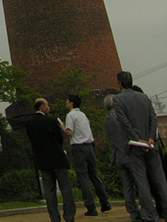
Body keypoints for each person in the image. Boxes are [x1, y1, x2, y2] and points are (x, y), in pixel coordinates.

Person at [113, 70, 167, 222]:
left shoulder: (118, 100)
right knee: (161, 181)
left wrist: (138, 139)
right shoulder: (144, 97)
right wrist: (150, 137)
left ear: (119, 83)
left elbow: (124, 121)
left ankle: (150, 214)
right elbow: (153, 118)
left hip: (135, 147)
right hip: (151, 145)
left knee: (142, 182)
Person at [26, 98, 76, 222]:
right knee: (66, 190)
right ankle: (69, 217)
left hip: (43, 160)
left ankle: (54, 218)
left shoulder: (29, 123)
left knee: (49, 192)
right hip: (57, 159)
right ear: (42, 107)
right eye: (47, 105)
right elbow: (59, 138)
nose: (49, 108)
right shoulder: (51, 121)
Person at [60, 94, 111, 215]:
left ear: (71, 103)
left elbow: (70, 132)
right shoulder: (83, 115)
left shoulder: (70, 115)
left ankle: (91, 206)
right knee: (94, 175)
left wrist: (62, 127)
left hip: (78, 147)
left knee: (83, 177)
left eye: (67, 101)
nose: (66, 103)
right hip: (89, 146)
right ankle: (104, 202)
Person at [104, 94, 140, 222]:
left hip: (117, 155)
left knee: (127, 186)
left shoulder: (107, 120)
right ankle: (144, 209)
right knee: (139, 183)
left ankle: (132, 213)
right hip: (128, 153)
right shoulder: (119, 117)